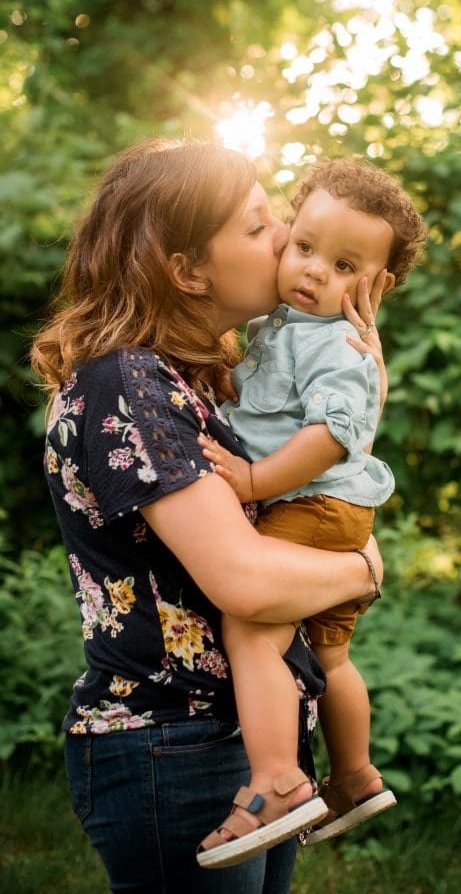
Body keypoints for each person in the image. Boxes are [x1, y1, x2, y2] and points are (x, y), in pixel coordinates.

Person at [30, 139, 386, 894]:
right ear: (188, 270)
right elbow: (247, 585)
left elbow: (320, 471)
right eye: (259, 227)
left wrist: (353, 364)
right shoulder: (130, 383)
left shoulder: (191, 377)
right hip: (171, 738)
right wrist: (361, 569)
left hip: (231, 735)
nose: (286, 240)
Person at [195, 159, 426, 869]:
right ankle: (354, 778)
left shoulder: (336, 344)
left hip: (313, 503)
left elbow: (328, 438)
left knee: (252, 631)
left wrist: (256, 477)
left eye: (345, 264)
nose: (315, 271)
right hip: (336, 513)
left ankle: (275, 785)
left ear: (375, 286)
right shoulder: (286, 325)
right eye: (304, 247)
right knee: (330, 653)